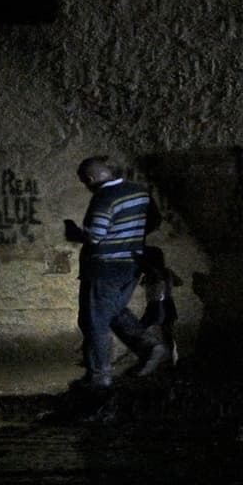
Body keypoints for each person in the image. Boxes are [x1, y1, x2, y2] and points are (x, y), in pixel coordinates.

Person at [63, 155, 166, 389]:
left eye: (84, 182)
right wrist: (128, 237)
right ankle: (151, 348)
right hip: (130, 263)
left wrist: (74, 233)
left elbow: (95, 235)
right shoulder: (139, 191)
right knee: (114, 310)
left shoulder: (104, 198)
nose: (86, 187)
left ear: (89, 179)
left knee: (93, 320)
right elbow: (154, 220)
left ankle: (98, 376)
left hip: (103, 267)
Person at [133, 245, 180, 376]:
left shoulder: (152, 273)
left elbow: (145, 284)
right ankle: (171, 361)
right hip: (168, 303)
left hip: (158, 304)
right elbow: (179, 282)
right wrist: (169, 283)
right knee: (167, 334)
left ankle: (161, 360)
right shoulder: (166, 272)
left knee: (144, 332)